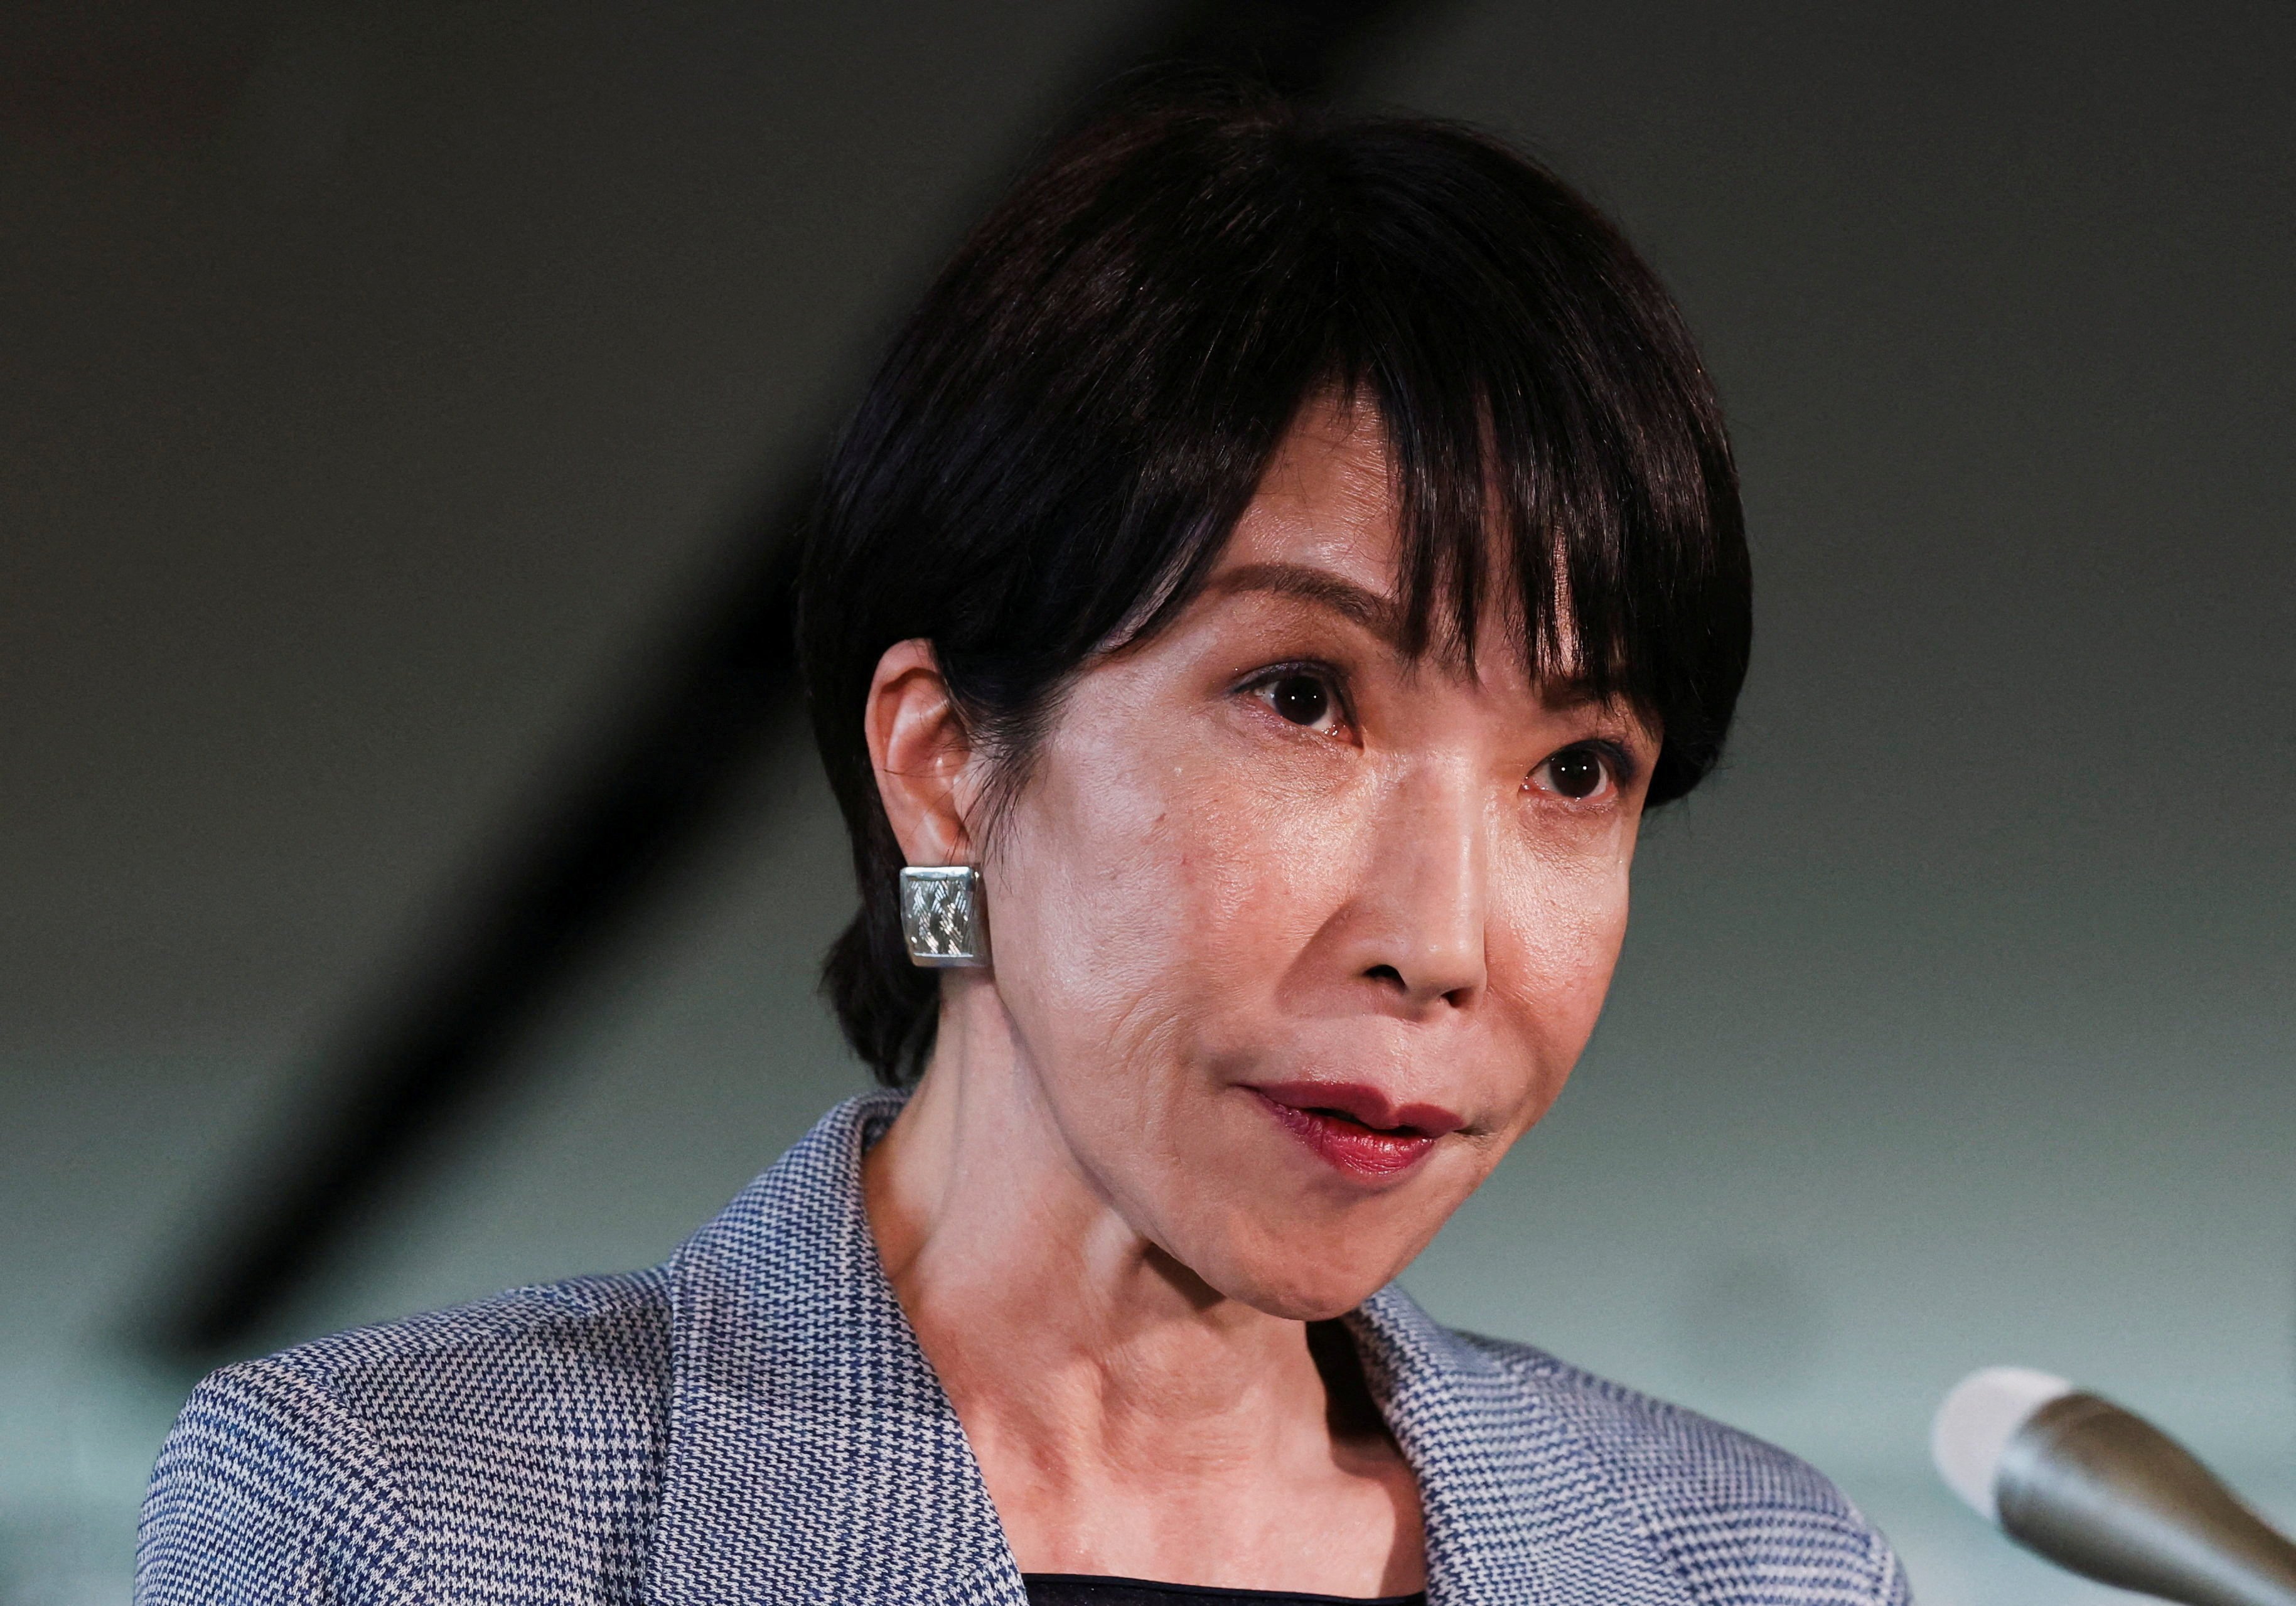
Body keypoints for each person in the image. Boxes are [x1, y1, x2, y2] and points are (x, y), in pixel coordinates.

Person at [137, 77, 1909, 1606]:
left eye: (1578, 768)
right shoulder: (404, 1519)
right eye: (1303, 698)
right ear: (944, 765)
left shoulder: (1758, 1571)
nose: (1442, 942)